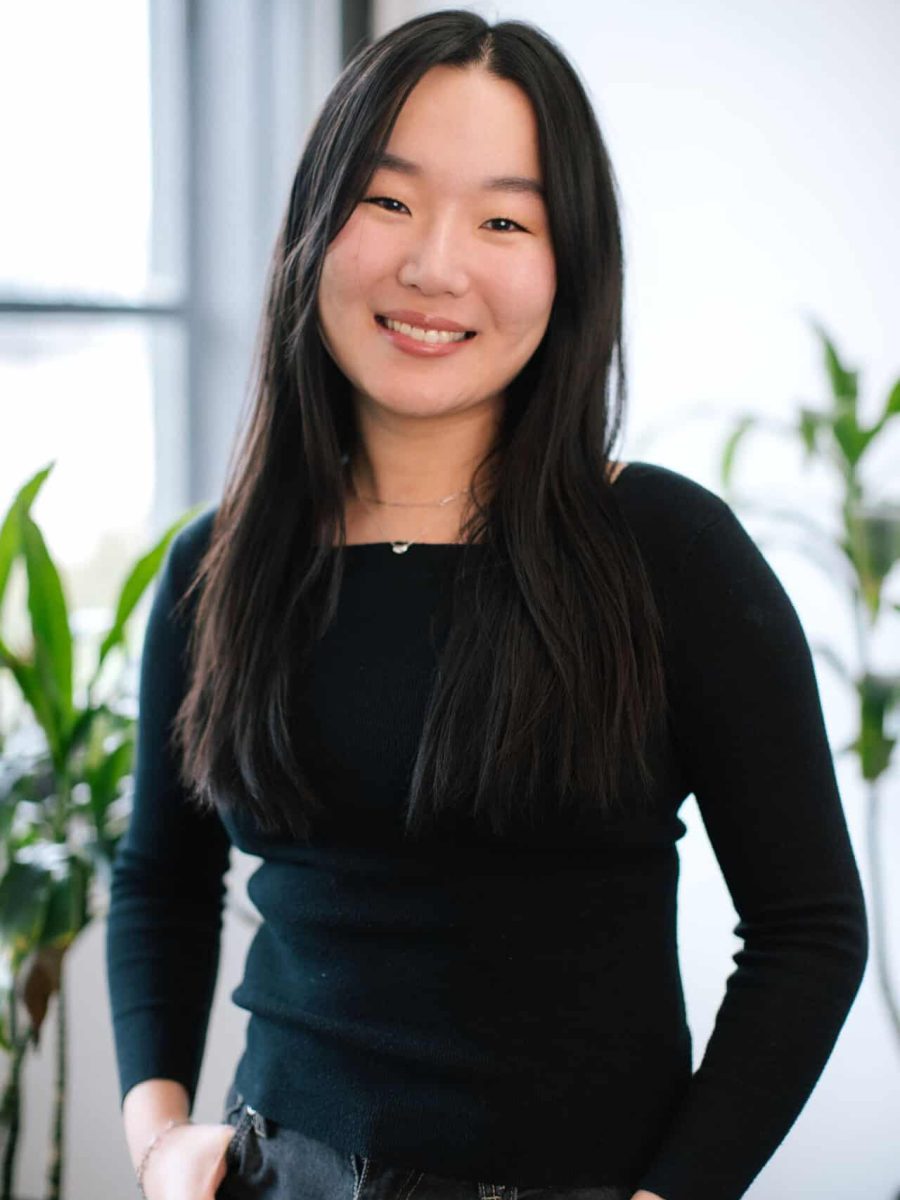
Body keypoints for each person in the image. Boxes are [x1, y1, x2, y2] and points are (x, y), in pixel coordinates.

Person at [105, 11, 868, 1200]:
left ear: (570, 270)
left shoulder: (665, 552)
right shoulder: (220, 568)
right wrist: (161, 1146)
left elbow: (808, 933)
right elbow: (158, 877)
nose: (435, 265)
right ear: (315, 227)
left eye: (505, 219)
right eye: (388, 200)